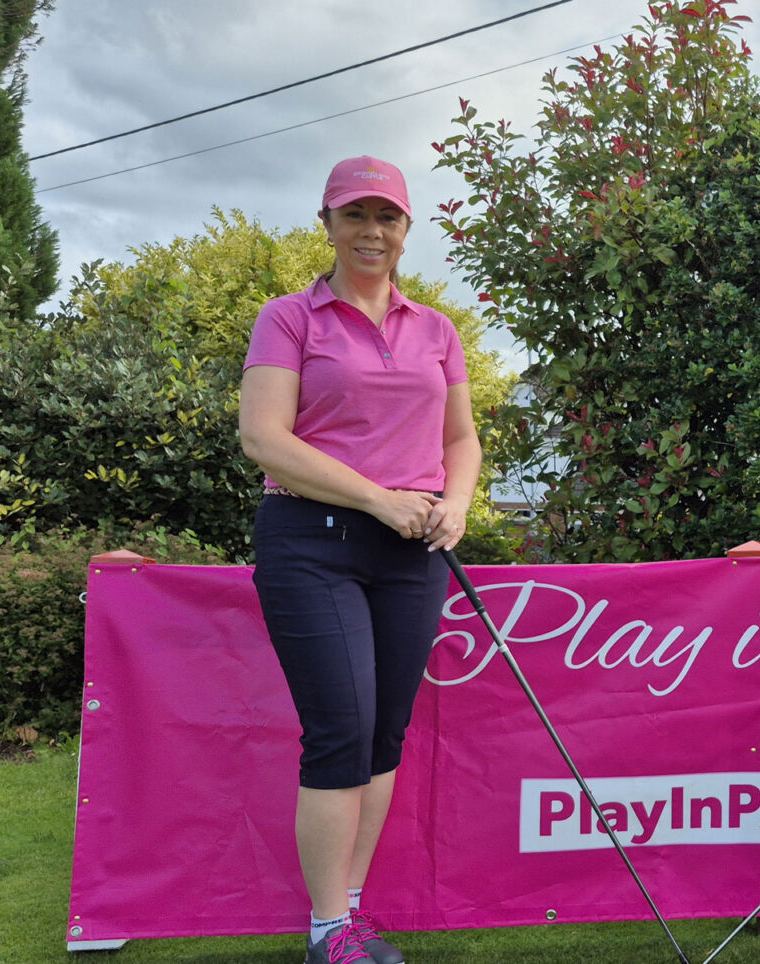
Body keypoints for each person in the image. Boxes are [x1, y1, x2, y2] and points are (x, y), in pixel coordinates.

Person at [239, 155, 481, 964]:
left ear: (407, 230)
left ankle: (348, 913)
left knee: (383, 735)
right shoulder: (290, 318)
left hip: (412, 549)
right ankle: (325, 934)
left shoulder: (437, 329)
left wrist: (459, 502)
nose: (371, 232)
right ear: (328, 223)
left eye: (388, 217)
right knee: (340, 731)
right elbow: (264, 438)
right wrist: (378, 497)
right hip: (311, 540)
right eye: (355, 215)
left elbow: (460, 439)